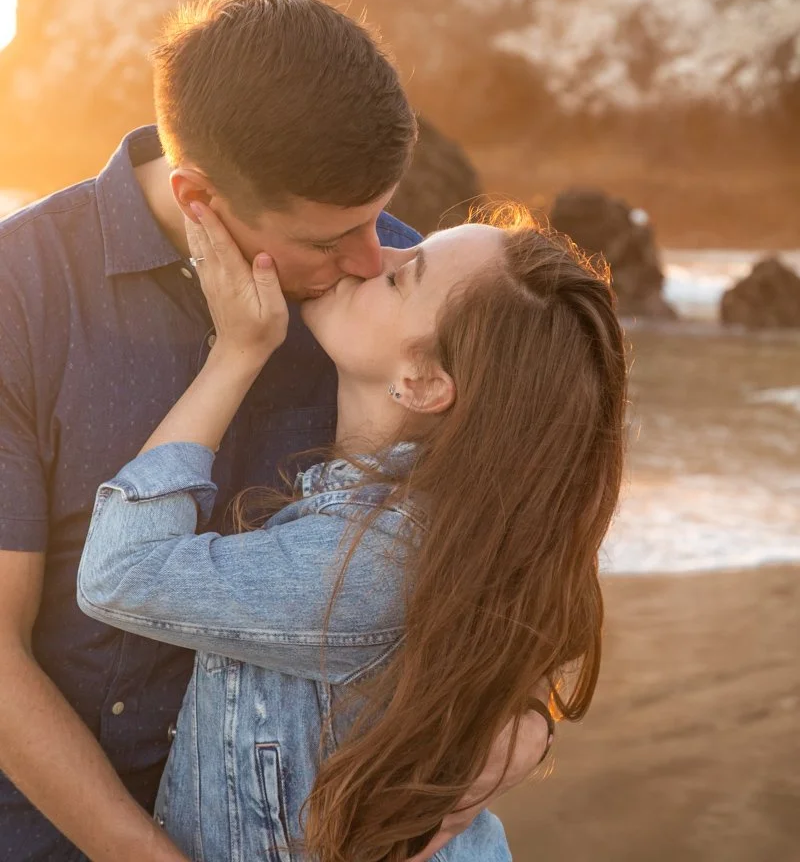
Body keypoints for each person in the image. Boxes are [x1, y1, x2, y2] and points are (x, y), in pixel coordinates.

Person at [77, 198, 627, 861]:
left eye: (400, 276)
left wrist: (237, 353)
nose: (375, 256)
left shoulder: (368, 559)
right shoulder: (467, 526)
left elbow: (120, 570)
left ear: (423, 382)